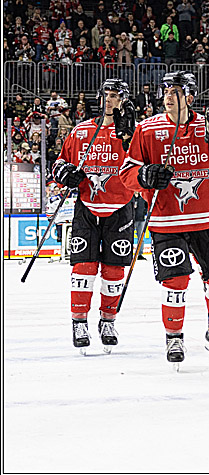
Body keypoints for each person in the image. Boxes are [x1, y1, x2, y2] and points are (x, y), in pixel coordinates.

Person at [120, 71, 209, 369]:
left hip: (207, 218)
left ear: (190, 96)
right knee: (175, 282)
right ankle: (174, 337)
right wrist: (144, 175)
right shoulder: (147, 129)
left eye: (175, 91)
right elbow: (127, 174)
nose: (168, 97)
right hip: (166, 221)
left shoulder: (207, 126)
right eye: (165, 91)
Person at [52, 78, 137, 353]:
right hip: (87, 207)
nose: (109, 100)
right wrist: (64, 173)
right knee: (83, 268)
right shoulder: (81, 131)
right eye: (106, 95)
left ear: (124, 101)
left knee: (114, 270)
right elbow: (60, 162)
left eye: (115, 96)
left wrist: (130, 138)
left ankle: (108, 321)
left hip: (120, 208)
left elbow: (145, 166)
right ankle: (79, 322)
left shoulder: (132, 133)